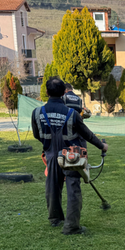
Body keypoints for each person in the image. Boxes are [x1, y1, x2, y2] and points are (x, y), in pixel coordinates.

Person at [31, 77, 109, 235]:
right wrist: (102, 146)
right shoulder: (72, 114)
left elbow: (36, 134)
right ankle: (71, 226)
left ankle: (55, 219)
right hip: (71, 156)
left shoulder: (37, 112)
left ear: (46, 92)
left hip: (51, 154)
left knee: (52, 186)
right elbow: (86, 134)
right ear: (63, 93)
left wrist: (49, 146)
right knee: (73, 188)